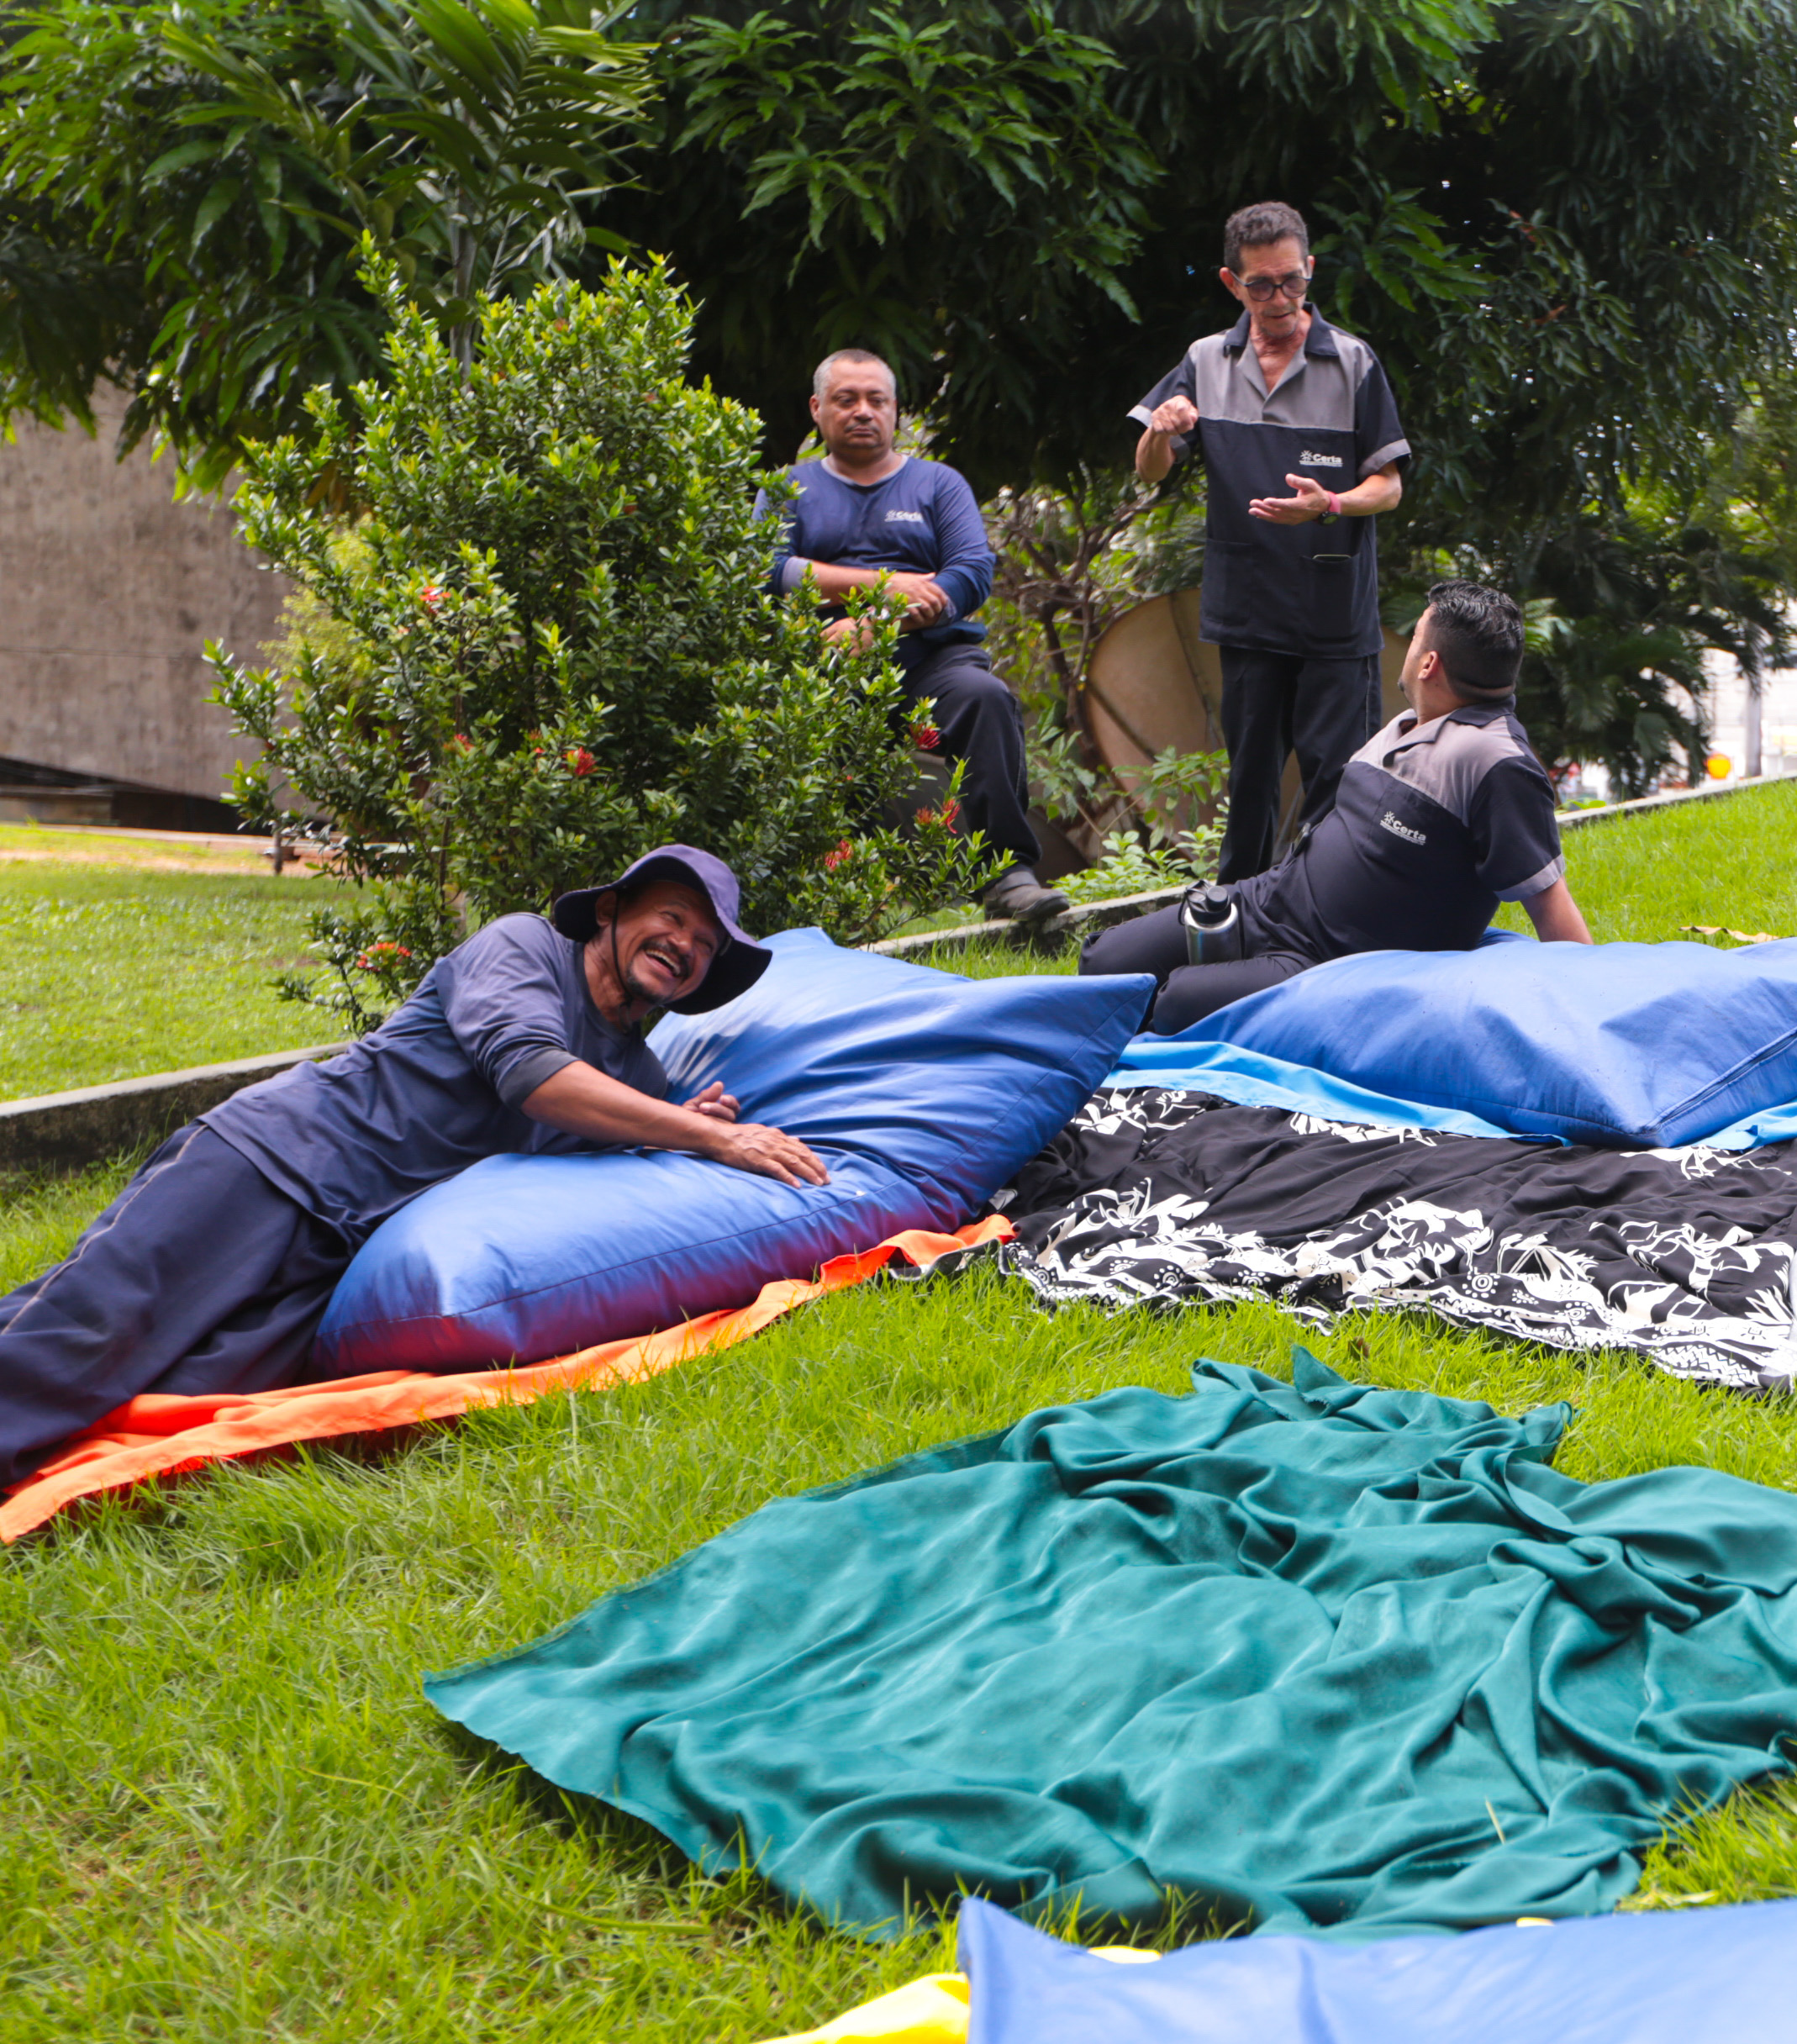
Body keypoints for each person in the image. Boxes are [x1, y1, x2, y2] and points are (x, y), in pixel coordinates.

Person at [0, 846, 826, 1486]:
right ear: (610, 911)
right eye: (673, 918)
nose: (684, 945)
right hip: (277, 1159)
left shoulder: (638, 1078)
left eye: (705, 944)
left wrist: (675, 1130)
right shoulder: (523, 946)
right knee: (91, 1332)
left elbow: (596, 1166)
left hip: (343, 1252)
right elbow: (532, 1073)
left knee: (188, 1391)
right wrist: (709, 1138)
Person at [1078, 580, 1589, 1034]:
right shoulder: (1408, 724)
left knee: (1174, 1004)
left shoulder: (1498, 763)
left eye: (1415, 637)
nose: (1410, 647)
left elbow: (1551, 905)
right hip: (1263, 903)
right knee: (1105, 962)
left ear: (1429, 663)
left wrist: (1596, 1011)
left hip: (1322, 961)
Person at [1129, 200, 1410, 882]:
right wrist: (1160, 430)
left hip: (1333, 613)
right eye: (1261, 285)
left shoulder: (1353, 362)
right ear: (1233, 283)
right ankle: (1238, 909)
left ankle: (1331, 902)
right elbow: (1150, 473)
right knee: (1250, 779)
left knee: (1336, 783)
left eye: (1292, 281)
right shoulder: (1205, 361)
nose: (1280, 299)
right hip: (1249, 611)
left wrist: (1329, 504)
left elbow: (1390, 486)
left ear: (1309, 269)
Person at [766, 348, 1064, 925]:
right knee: (791, 731)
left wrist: (881, 621)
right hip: (825, 667)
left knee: (987, 700)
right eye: (846, 399)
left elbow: (970, 574)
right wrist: (888, 584)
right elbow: (772, 570)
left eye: (876, 399)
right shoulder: (788, 488)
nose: (863, 411)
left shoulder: (937, 484)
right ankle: (810, 894)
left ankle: (1007, 876)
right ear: (817, 409)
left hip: (933, 661)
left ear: (895, 409)